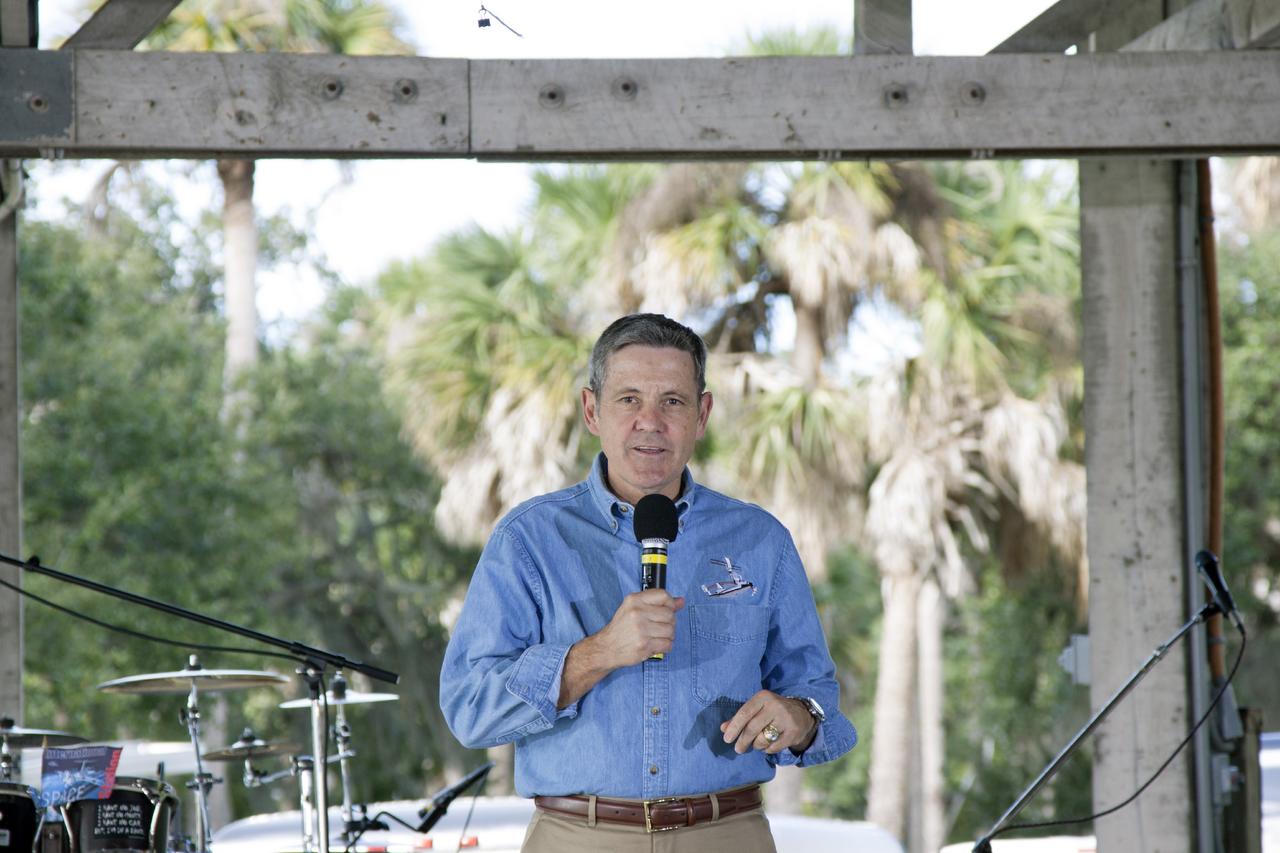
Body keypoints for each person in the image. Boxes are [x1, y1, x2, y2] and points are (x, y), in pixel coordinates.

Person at [439, 313, 856, 852]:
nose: (650, 421)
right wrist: (597, 653)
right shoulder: (529, 539)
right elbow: (470, 708)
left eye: (673, 402)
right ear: (593, 410)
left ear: (702, 414)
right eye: (629, 399)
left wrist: (798, 717)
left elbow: (817, 695)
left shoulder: (760, 539)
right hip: (577, 837)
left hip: (727, 835)